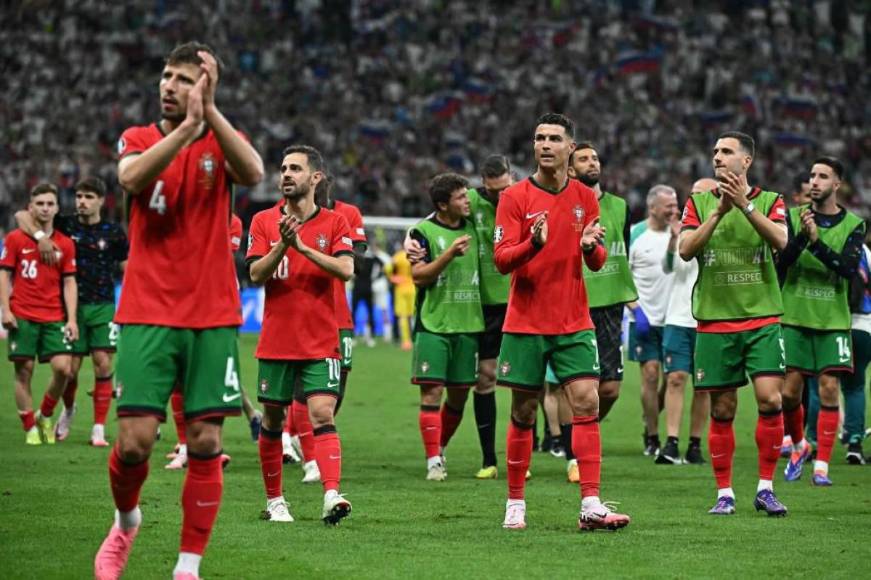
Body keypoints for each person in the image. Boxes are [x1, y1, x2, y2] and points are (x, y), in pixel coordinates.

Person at [94, 42, 264, 580]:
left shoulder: (222, 139)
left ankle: (187, 568)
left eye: (184, 79)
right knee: (136, 441)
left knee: (206, 440)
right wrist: (187, 130)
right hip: (147, 308)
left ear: (206, 88)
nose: (169, 85)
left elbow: (255, 171)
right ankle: (126, 521)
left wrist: (208, 115)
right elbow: (129, 179)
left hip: (212, 313)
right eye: (167, 76)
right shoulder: (140, 138)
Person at [494, 113, 629, 531]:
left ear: (571, 147)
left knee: (587, 402)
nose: (545, 145)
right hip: (526, 320)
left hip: (574, 319)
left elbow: (597, 258)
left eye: (554, 138)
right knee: (523, 410)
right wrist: (532, 245)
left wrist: (590, 247)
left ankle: (590, 502)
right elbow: (502, 261)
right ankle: (515, 502)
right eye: (539, 138)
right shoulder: (514, 197)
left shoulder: (585, 198)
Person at [679, 131, 788, 517]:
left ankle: (765, 487)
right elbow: (686, 249)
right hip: (715, 320)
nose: (718, 157)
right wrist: (720, 212)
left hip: (761, 318)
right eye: (715, 152)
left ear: (747, 161)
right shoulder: (698, 202)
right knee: (722, 408)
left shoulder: (772, 201)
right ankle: (724, 492)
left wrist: (744, 206)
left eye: (727, 152)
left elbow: (781, 241)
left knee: (770, 399)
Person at [247, 145, 354, 525]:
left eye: (295, 168)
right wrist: (283, 245)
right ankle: (276, 501)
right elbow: (256, 275)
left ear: (315, 177)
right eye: (283, 168)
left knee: (323, 413)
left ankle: (330, 493)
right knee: (273, 421)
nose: (286, 174)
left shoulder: (335, 223)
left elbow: (345, 270)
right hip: (277, 340)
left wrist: (303, 247)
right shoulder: (262, 221)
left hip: (320, 340)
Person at [14, 177, 127, 447]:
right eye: (78, 196)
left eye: (88, 197)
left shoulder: (113, 232)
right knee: (70, 371)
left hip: (103, 305)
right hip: (69, 307)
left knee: (102, 362)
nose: (82, 202)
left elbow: (128, 269)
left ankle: (98, 427)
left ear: (100, 200)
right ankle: (67, 411)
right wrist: (41, 237)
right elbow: (21, 215)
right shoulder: (65, 225)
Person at [549, 144, 638, 482]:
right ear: (570, 170)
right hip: (575, 303)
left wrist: (630, 298)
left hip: (611, 306)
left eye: (596, 157)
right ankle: (574, 456)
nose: (592, 162)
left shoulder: (620, 207)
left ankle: (579, 433)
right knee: (574, 385)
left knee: (611, 388)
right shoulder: (563, 204)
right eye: (584, 159)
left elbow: (622, 252)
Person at [776, 157, 865, 486]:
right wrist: (803, 236)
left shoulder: (854, 224)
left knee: (829, 389)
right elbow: (781, 264)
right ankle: (800, 445)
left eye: (823, 176)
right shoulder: (791, 218)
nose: (815, 181)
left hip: (832, 320)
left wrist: (816, 242)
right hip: (795, 315)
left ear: (837, 184)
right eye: (812, 175)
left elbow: (846, 269)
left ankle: (822, 466)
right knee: (788, 394)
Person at [165, 212, 262, 471]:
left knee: (212, 373)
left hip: (218, 305)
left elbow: (219, 257)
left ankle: (206, 446)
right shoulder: (185, 214)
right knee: (183, 371)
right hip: (186, 300)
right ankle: (190, 443)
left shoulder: (231, 220)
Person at [409, 173, 483, 481]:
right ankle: (433, 461)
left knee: (458, 397)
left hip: (469, 325)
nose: (467, 201)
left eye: (467, 195)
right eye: (460, 197)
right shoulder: (422, 231)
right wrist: (449, 254)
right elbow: (419, 276)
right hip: (434, 324)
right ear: (442, 205)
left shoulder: (474, 228)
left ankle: (439, 446)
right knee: (432, 394)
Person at [0, 183, 78, 445]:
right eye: (40, 203)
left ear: (57, 208)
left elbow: (69, 282)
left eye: (50, 204)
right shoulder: (14, 239)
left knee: (63, 369)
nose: (45, 208)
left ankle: (44, 414)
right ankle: (29, 427)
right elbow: (4, 274)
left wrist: (72, 318)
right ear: (30, 207)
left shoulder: (65, 244)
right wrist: (6, 309)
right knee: (24, 372)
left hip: (54, 315)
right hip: (22, 313)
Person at [656, 178, 716, 465]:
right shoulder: (684, 230)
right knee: (676, 378)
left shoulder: (722, 228)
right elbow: (668, 267)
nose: (693, 200)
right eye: (691, 195)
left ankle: (694, 444)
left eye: (700, 195)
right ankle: (671, 442)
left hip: (708, 318)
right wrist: (672, 239)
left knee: (703, 386)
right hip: (679, 316)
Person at [628, 185, 679, 456]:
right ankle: (652, 436)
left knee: (673, 379)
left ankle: (651, 418)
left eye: (675, 204)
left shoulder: (682, 234)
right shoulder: (636, 234)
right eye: (668, 206)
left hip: (675, 319)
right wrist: (635, 310)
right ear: (653, 208)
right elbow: (621, 278)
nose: (674, 210)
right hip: (644, 317)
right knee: (650, 375)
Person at [843, 234, 871, 463]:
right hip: (864, 326)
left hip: (834, 324)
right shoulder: (867, 253)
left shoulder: (831, 245)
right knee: (856, 387)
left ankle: (812, 445)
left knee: (819, 386)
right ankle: (854, 442)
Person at [389, 245, 415, 350]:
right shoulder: (413, 255)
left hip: (401, 288)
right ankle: (415, 338)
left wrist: (393, 278)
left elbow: (387, 268)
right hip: (412, 286)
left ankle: (406, 341)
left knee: (403, 316)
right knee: (413, 315)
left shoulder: (398, 256)